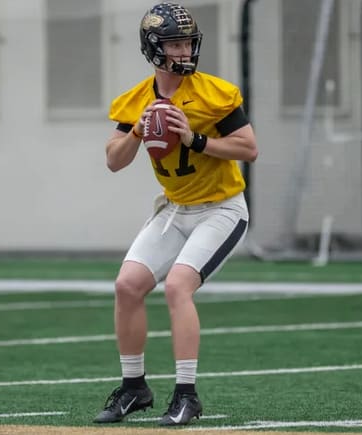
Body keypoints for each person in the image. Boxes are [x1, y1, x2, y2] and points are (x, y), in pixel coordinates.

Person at [93, 2, 258, 427]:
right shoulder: (135, 100)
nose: (184, 51)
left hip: (221, 209)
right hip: (175, 209)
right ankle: (134, 388)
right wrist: (137, 129)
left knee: (177, 288)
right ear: (153, 48)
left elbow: (248, 148)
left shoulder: (214, 93)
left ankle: (187, 394)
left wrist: (195, 139)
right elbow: (113, 161)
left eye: (187, 42)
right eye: (175, 43)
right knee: (127, 286)